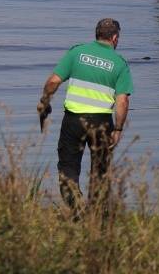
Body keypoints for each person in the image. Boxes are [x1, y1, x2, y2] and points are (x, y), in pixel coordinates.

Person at [37, 18, 132, 213]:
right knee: (100, 171)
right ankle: (96, 218)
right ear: (115, 38)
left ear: (96, 34)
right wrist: (118, 128)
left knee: (68, 168)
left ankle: (77, 208)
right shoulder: (120, 63)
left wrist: (44, 102)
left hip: (73, 121)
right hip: (102, 122)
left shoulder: (77, 52)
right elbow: (122, 101)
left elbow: (53, 82)